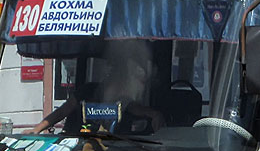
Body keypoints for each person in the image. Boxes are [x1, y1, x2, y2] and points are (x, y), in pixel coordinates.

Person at [34, 50, 164, 136]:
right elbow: (62, 111)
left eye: (118, 76)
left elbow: (138, 109)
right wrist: (37, 129)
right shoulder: (86, 91)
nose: (112, 78)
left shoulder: (122, 99)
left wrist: (154, 114)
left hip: (102, 150)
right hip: (75, 143)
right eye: (110, 74)